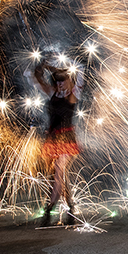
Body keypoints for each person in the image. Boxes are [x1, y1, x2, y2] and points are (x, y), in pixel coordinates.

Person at [28, 59, 84, 226]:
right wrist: (43, 66)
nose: (60, 84)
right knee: (60, 175)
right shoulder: (53, 93)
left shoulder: (74, 94)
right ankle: (71, 208)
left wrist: (61, 66)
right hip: (52, 140)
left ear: (69, 81)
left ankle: (48, 210)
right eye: (57, 81)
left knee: (59, 173)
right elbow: (35, 77)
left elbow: (80, 69)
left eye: (63, 81)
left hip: (66, 140)